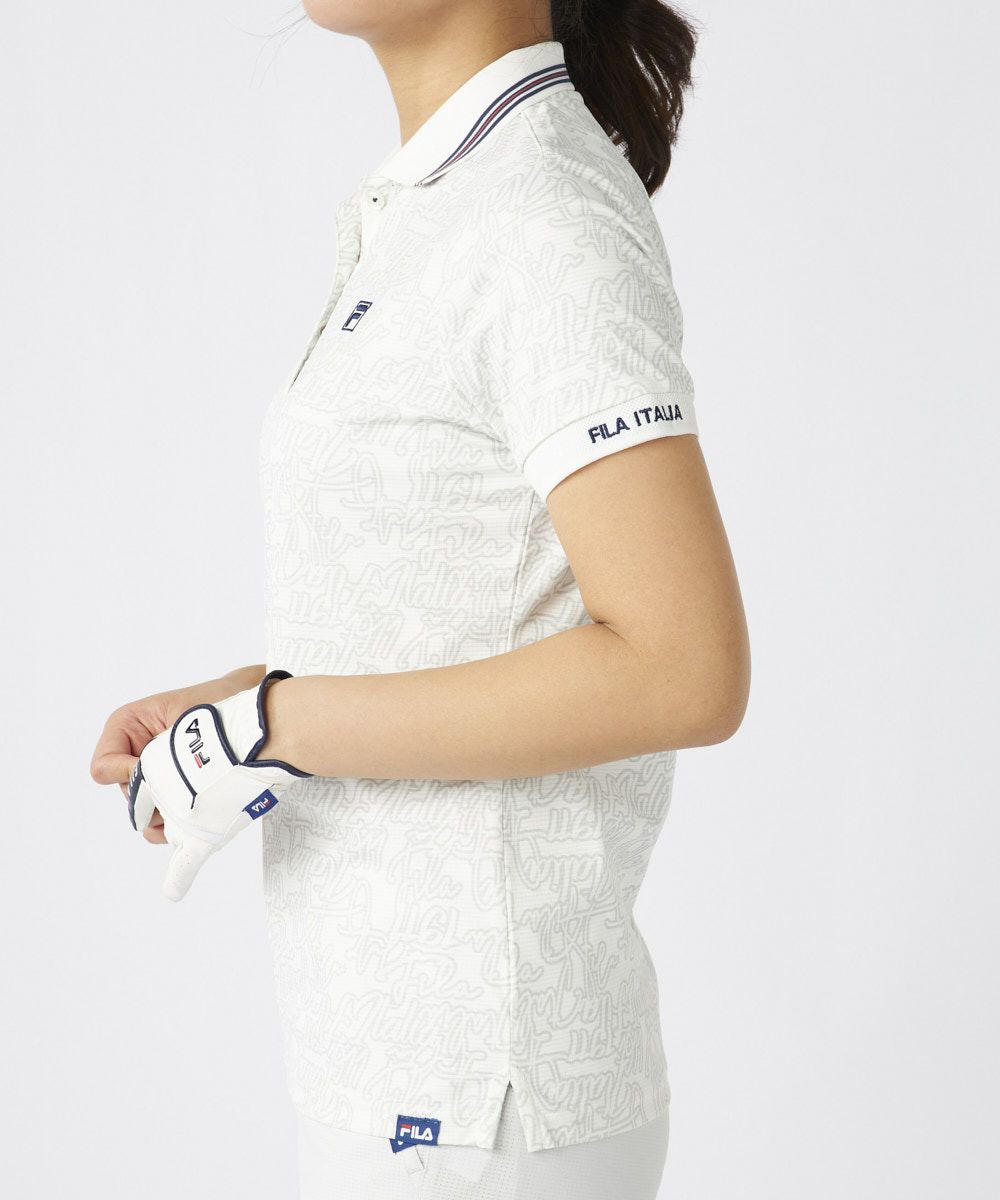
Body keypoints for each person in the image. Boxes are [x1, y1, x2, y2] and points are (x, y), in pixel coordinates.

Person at [90, 2, 751, 1196]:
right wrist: (249, 701)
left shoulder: (542, 216)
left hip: (478, 1096)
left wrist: (277, 725)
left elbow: (681, 668)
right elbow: (486, 598)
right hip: (398, 1078)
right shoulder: (449, 200)